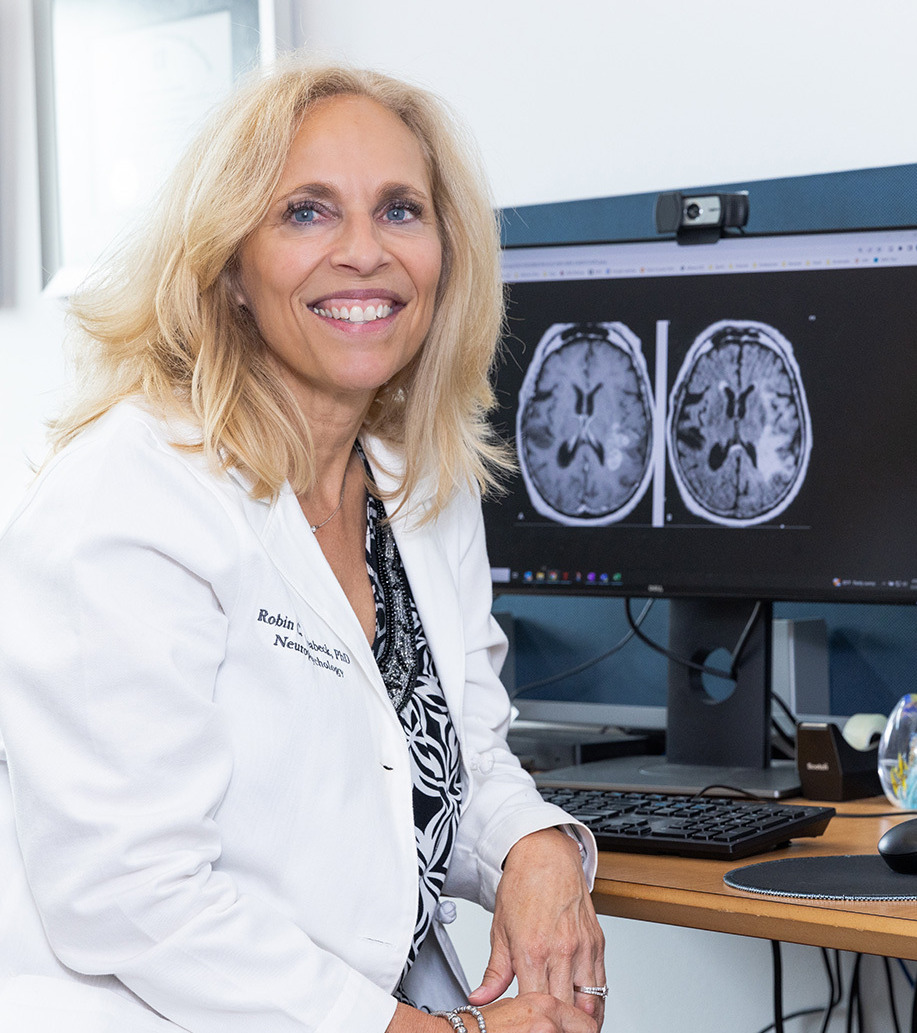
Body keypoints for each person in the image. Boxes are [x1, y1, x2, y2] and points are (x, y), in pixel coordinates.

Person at [0, 60, 605, 1033]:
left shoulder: (418, 485)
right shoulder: (131, 493)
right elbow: (130, 893)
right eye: (308, 212)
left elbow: (460, 753)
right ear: (229, 265)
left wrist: (536, 851)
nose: (365, 251)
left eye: (401, 209)